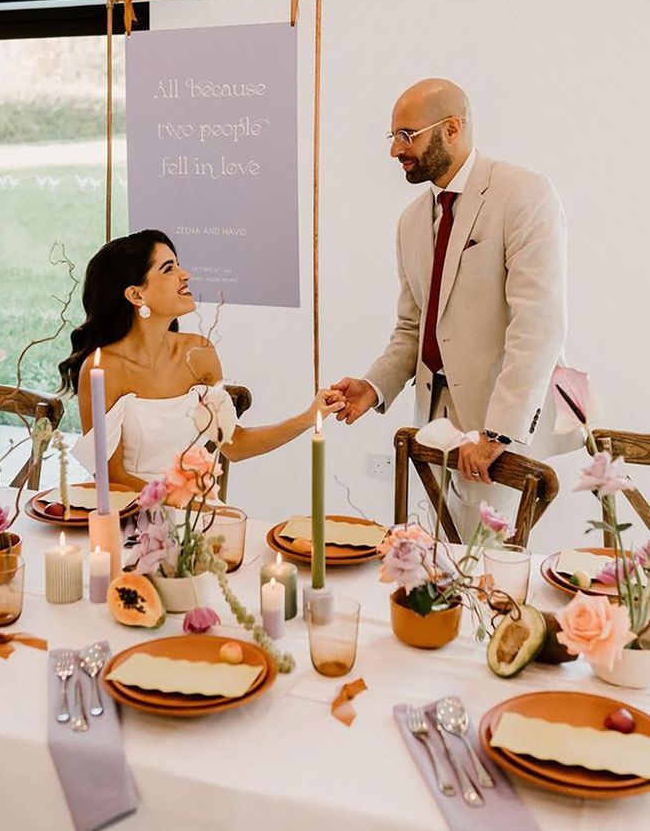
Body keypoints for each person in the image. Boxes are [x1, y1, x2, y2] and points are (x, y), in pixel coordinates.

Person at [333, 78, 577, 538]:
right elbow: (413, 327)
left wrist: (497, 435)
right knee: (433, 566)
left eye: (407, 135)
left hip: (499, 429)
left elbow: (539, 326)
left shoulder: (523, 194)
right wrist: (374, 385)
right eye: (393, 137)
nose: (395, 151)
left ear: (452, 128)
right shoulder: (410, 222)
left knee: (491, 570)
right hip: (431, 424)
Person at [60, 229, 343, 489]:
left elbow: (234, 444)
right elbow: (112, 477)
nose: (185, 275)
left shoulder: (200, 353)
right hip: (134, 514)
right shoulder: (103, 368)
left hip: (196, 514)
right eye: (168, 269)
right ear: (136, 294)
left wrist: (308, 417)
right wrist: (175, 504)